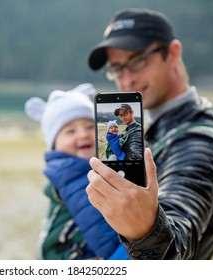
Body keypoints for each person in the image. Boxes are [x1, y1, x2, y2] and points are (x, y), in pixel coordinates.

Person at [85, 8, 213, 259]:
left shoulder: (201, 142)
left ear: (173, 53)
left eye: (137, 60)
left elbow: (179, 236)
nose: (127, 78)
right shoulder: (159, 129)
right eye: (116, 68)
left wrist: (144, 230)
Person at [25, 83, 128, 260]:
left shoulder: (90, 166)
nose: (83, 135)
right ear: (54, 144)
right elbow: (103, 233)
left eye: (90, 127)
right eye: (70, 131)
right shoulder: (72, 173)